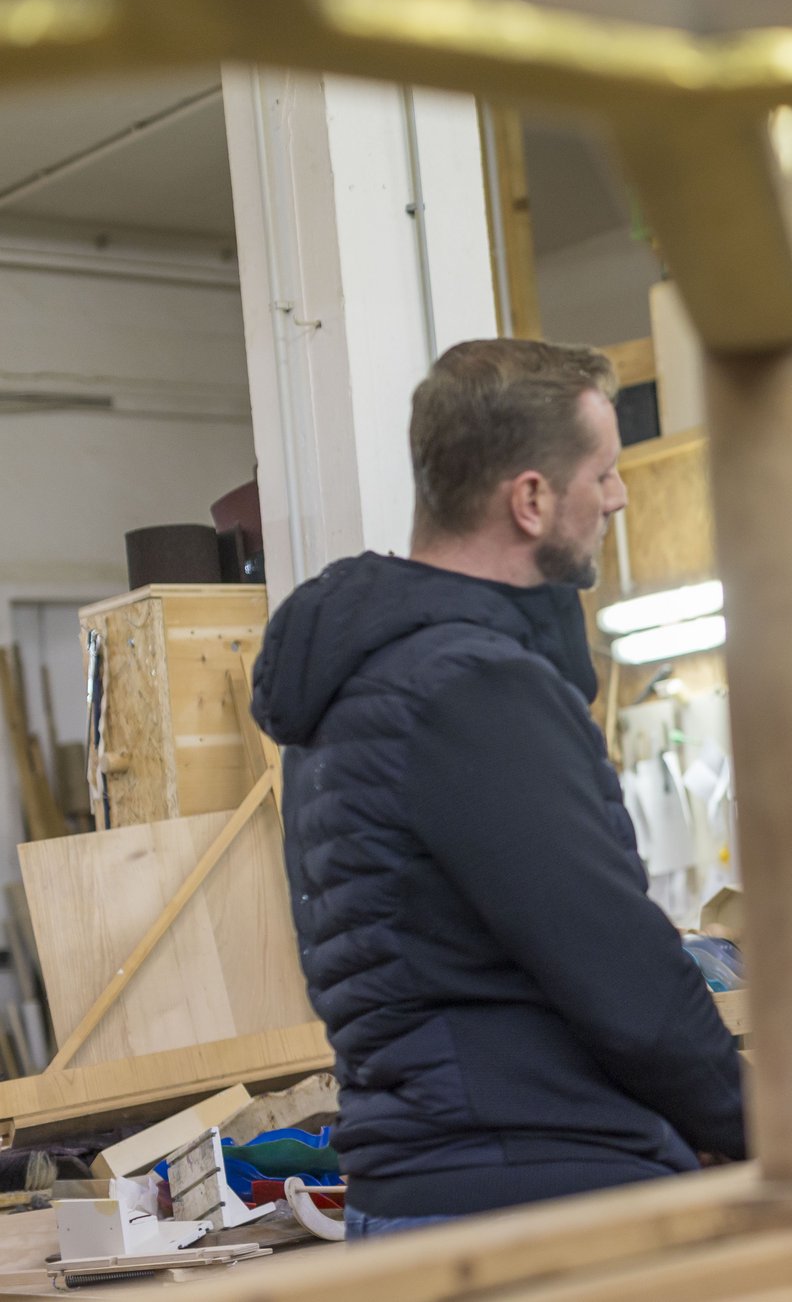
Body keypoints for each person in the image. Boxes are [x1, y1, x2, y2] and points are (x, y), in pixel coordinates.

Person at [252, 339, 745, 1236]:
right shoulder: (468, 688)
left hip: (431, 1186)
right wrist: (768, 1127)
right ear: (530, 499)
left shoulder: (362, 682)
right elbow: (623, 979)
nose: (619, 496)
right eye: (603, 472)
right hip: (522, 1203)